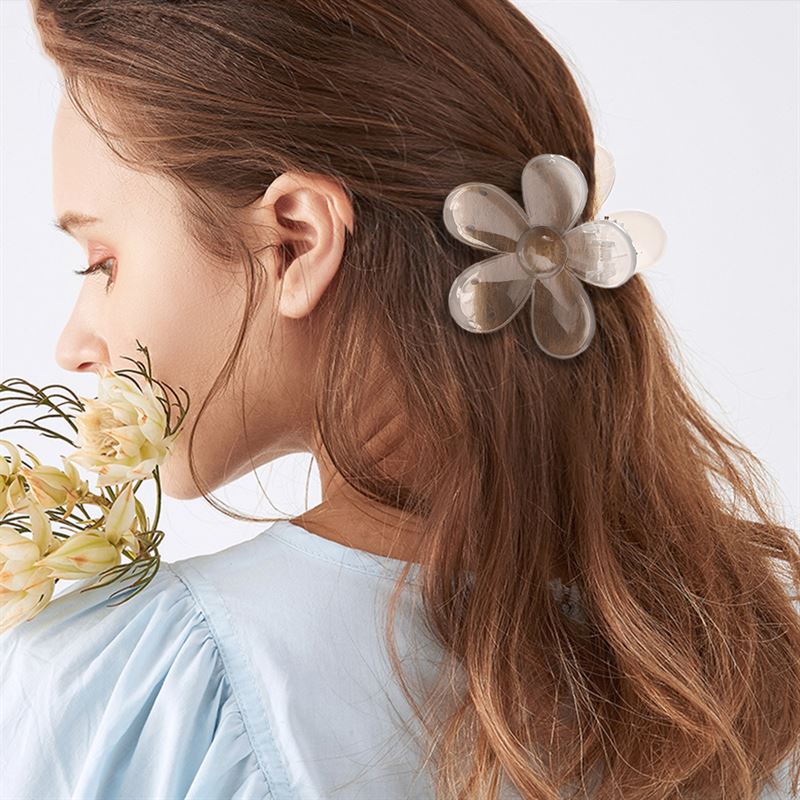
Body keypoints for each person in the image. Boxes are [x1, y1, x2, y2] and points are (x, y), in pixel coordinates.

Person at [2, 1, 798, 798]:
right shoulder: (732, 671)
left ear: (296, 241)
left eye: (102, 263)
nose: (74, 345)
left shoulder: (135, 690)